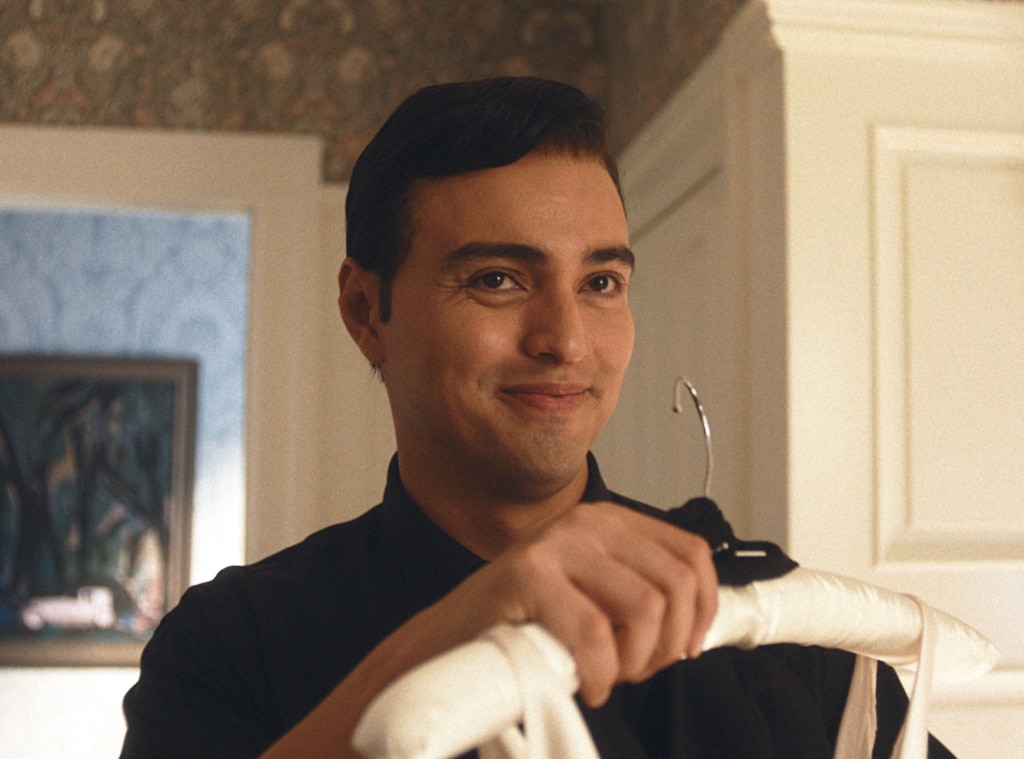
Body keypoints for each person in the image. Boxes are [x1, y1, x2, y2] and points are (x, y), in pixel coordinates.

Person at [120, 77, 952, 758]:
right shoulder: (230, 644)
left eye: (600, 283)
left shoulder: (783, 641)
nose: (567, 341)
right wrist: (457, 629)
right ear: (366, 311)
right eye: (497, 279)